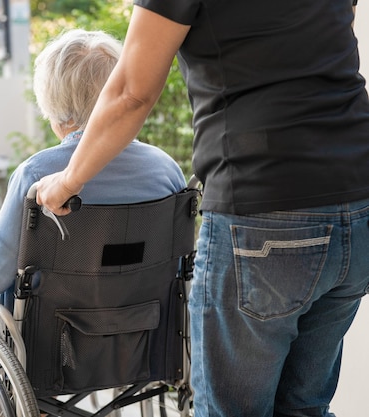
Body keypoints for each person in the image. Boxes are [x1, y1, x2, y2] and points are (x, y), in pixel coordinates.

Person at [35, 2, 369, 417]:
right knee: (304, 408)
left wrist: (68, 180)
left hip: (262, 206)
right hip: (357, 202)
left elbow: (131, 91)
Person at [0, 29, 186, 316]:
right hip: (144, 336)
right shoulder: (166, 171)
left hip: (48, 344)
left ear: (56, 108)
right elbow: (179, 268)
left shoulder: (38, 175)